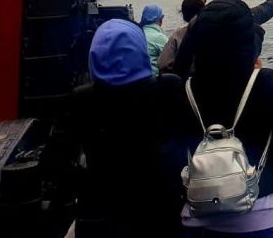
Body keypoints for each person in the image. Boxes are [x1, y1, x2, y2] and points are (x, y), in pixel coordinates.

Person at [175, 0, 273, 237]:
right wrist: (266, 166)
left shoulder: (183, 89)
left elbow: (174, 144)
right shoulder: (265, 82)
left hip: (198, 213)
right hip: (258, 215)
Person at [65, 19, 184, 238]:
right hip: (162, 206)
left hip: (103, 209)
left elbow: (57, 162)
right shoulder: (167, 87)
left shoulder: (82, 99)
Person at [158, 0, 206, 74]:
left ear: (184, 14)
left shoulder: (178, 35)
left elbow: (163, 63)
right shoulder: (218, 30)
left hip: (187, 81)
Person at [140, 4, 167, 75]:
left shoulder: (137, 33)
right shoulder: (159, 37)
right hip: (153, 80)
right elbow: (169, 60)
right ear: (160, 19)